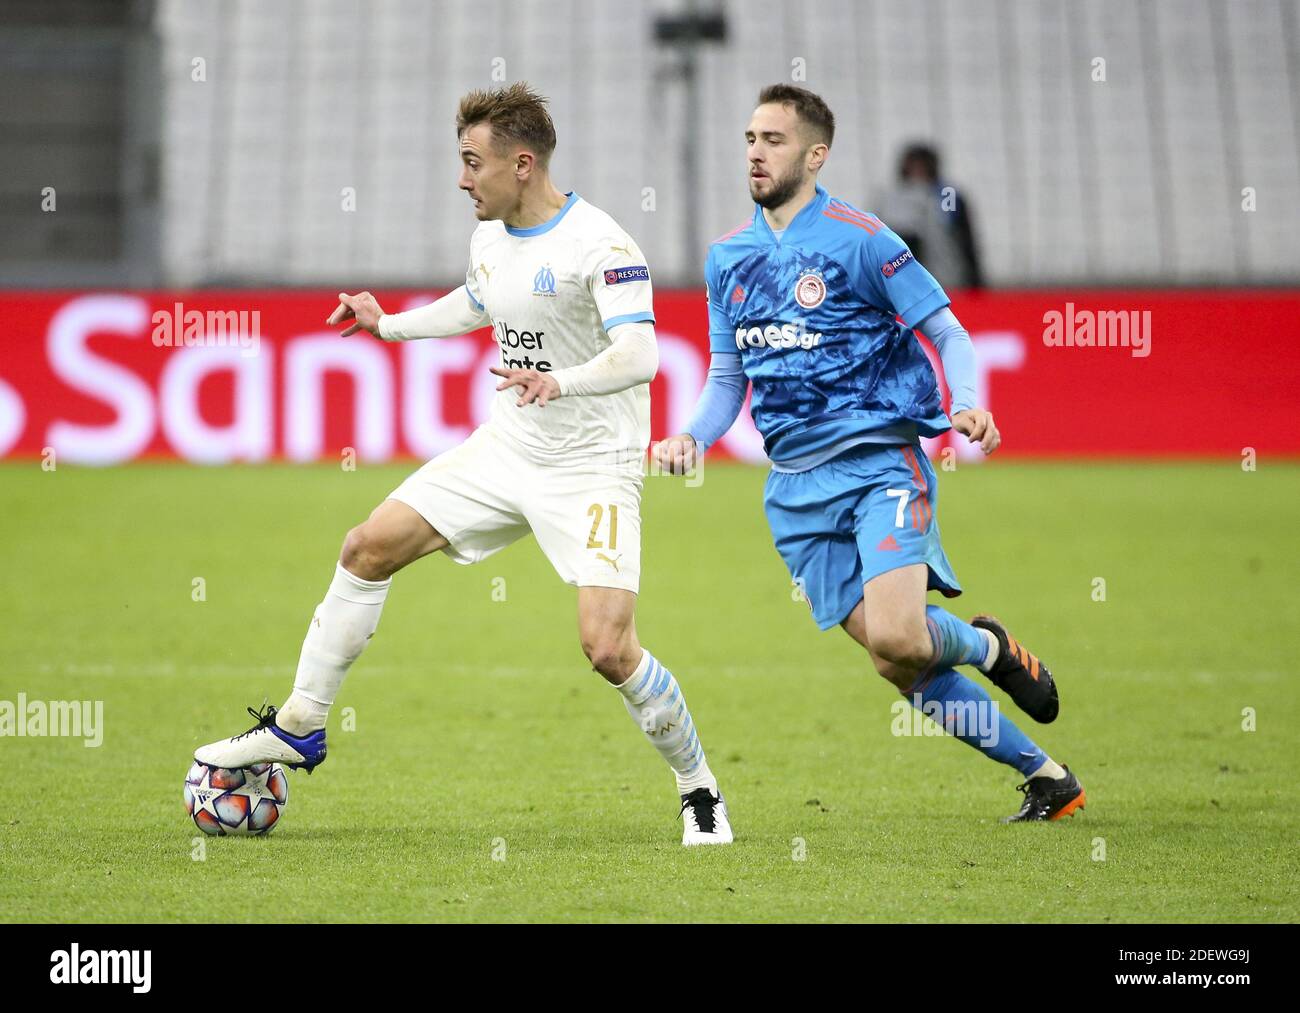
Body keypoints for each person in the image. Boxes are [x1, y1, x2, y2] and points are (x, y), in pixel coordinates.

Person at [195, 83, 733, 845]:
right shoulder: (490, 236)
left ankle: (697, 785)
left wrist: (562, 380)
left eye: (471, 162)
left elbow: (641, 352)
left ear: (521, 164)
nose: (461, 179)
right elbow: (479, 302)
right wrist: (391, 326)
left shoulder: (603, 246)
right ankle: (302, 724)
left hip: (593, 467)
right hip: (507, 447)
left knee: (609, 647)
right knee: (365, 546)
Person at [656, 84, 1083, 822]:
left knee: (897, 632)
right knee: (899, 660)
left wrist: (968, 403)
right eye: (751, 138)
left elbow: (948, 330)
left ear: (816, 155)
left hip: (879, 462)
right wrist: (693, 434)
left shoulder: (862, 239)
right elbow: (729, 375)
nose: (756, 151)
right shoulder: (729, 258)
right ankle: (1046, 775)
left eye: (775, 140)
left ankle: (985, 647)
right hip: (792, 488)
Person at [875, 142, 984, 291]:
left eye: (922, 167)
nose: (918, 173)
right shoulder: (888, 197)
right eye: (914, 167)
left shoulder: (947, 193)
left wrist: (974, 278)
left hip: (945, 276)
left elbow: (960, 233)